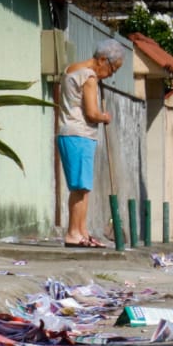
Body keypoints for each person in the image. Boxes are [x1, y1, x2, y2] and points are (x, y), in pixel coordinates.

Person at [57, 39, 125, 248]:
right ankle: (73, 233)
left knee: (82, 187)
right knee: (80, 187)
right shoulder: (89, 77)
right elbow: (92, 113)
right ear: (102, 60)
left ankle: (82, 231)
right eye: (112, 69)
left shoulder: (71, 70)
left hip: (69, 132)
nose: (111, 74)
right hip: (80, 134)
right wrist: (105, 117)